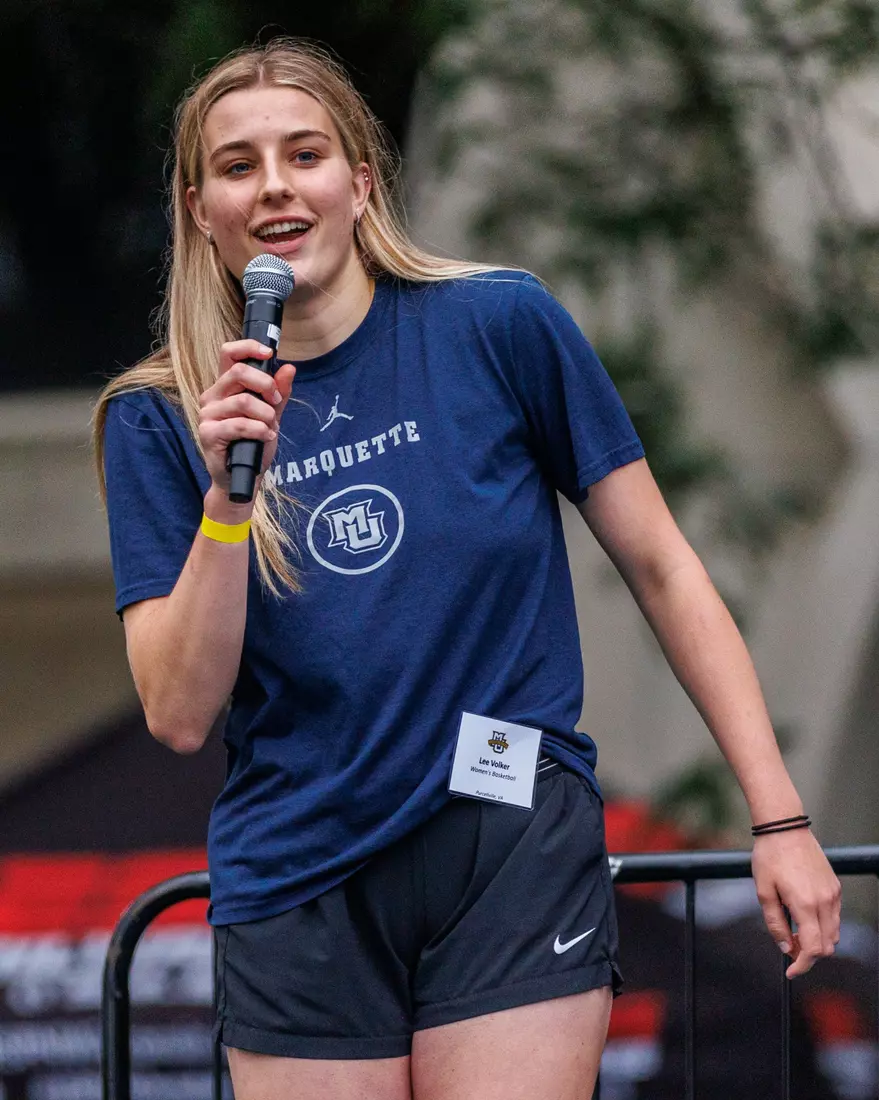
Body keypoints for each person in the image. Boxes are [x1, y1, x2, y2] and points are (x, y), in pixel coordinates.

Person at [93, 37, 842, 1100]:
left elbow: (663, 567)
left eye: (304, 154)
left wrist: (778, 818)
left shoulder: (497, 325)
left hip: (507, 837)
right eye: (238, 165)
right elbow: (177, 712)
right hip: (299, 871)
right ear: (200, 207)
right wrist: (227, 503)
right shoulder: (159, 416)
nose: (274, 188)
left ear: (360, 182)